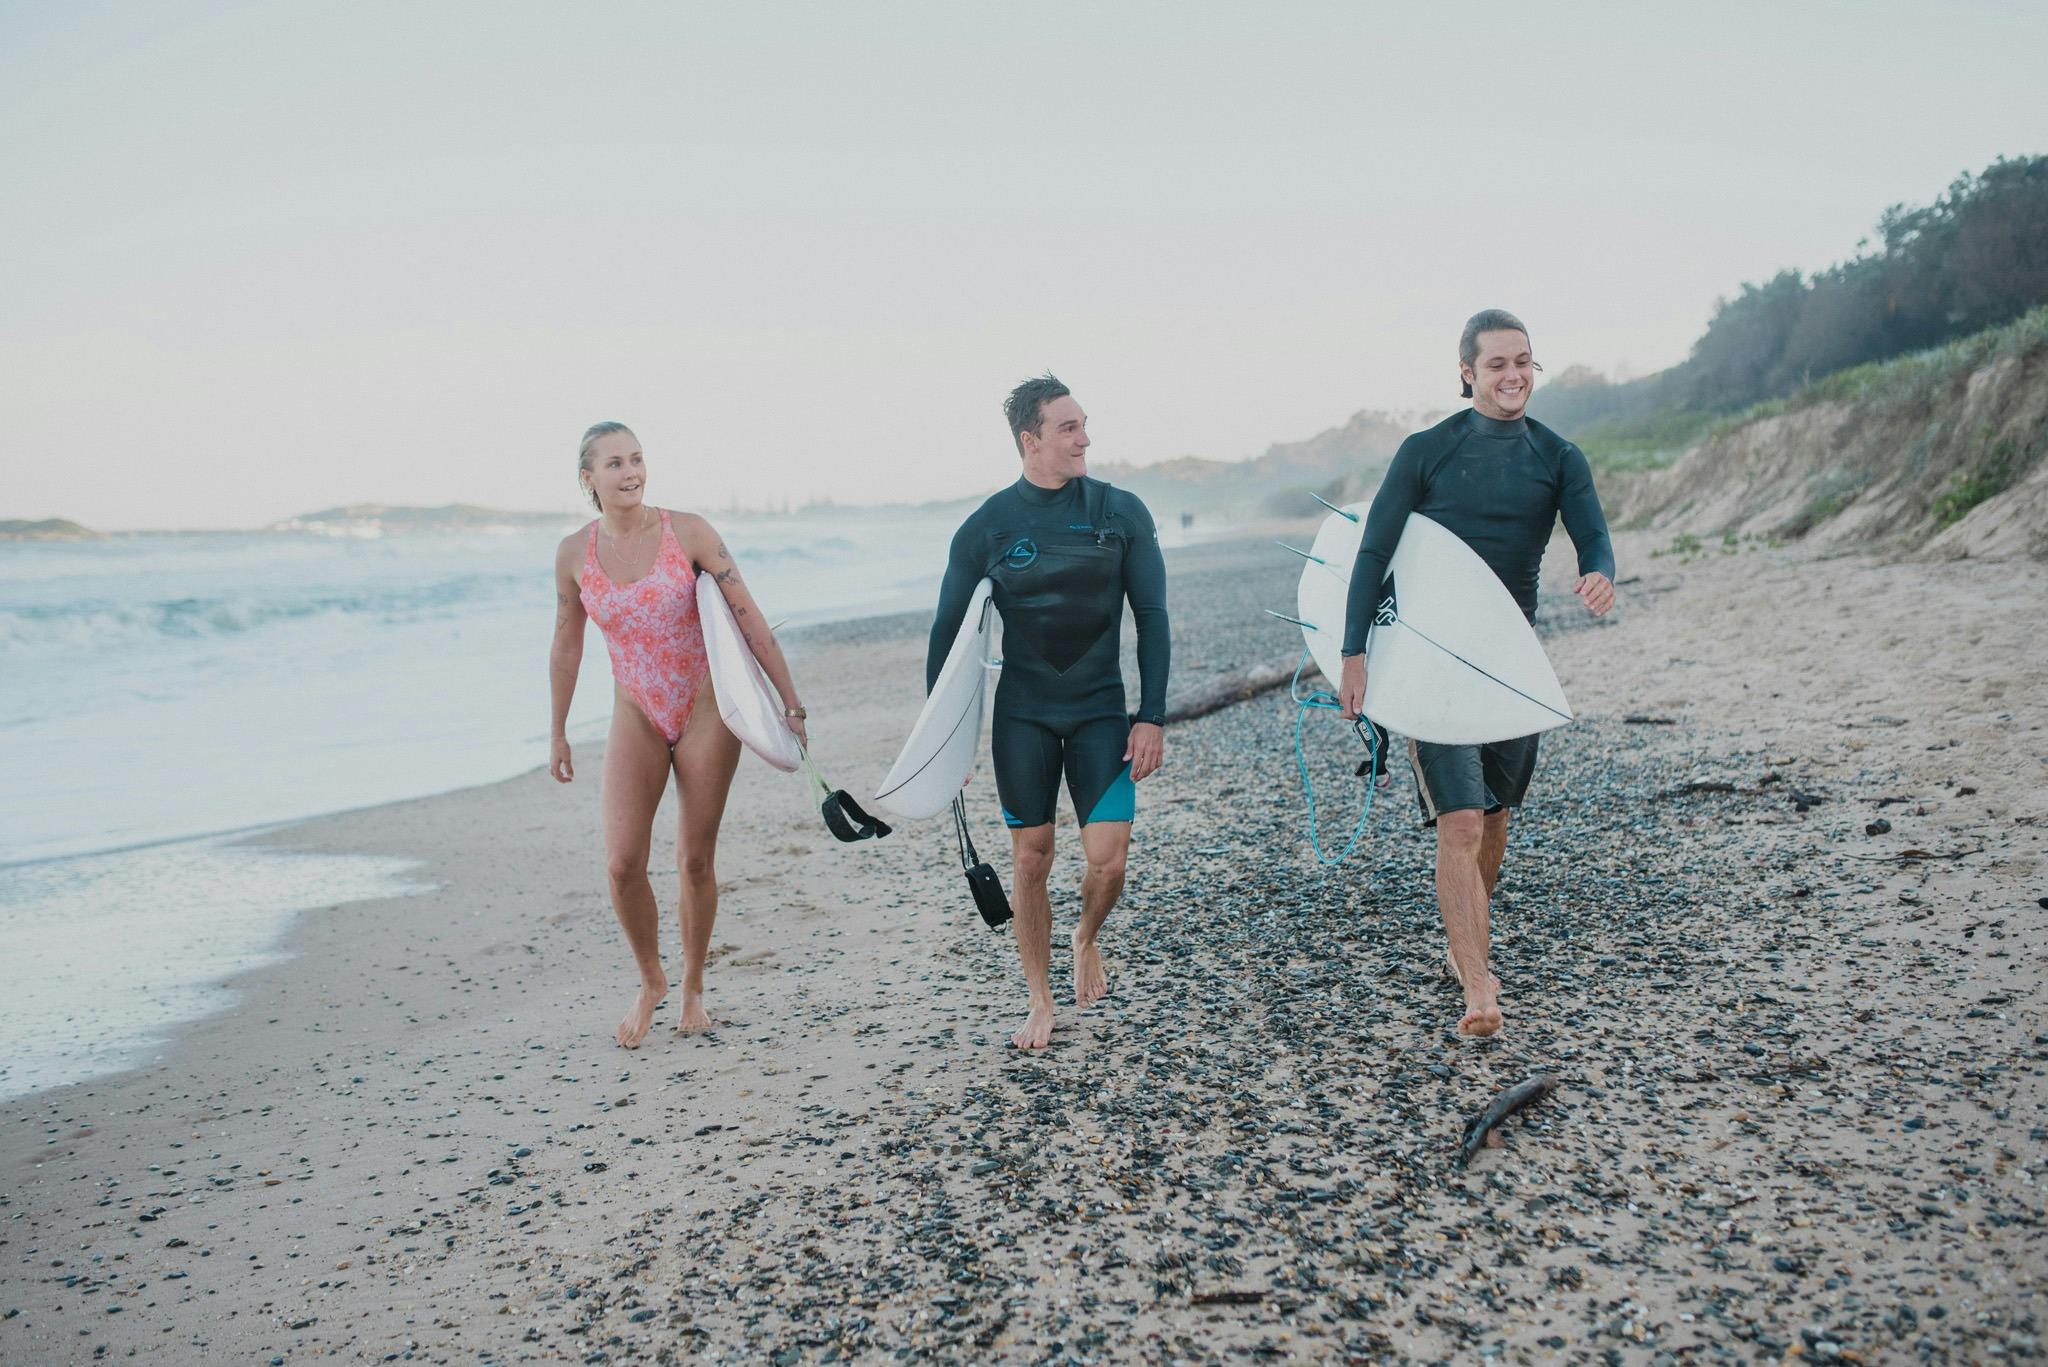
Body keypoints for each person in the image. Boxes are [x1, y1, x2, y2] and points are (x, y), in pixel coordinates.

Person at [1336, 311, 1616, 1040]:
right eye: (1496, 364)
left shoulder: (1558, 457)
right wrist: (1354, 652)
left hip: (1511, 661)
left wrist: (1599, 574)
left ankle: (1469, 937)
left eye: (1523, 361)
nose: (1513, 375)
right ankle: (1477, 981)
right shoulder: (1427, 451)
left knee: (1494, 818)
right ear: (1466, 372)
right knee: (1458, 820)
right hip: (1432, 663)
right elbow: (1373, 553)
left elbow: (1593, 537)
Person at [548, 421, 809, 1047]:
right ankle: (651, 980)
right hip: (635, 711)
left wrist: (790, 704)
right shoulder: (572, 554)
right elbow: (566, 644)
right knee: (621, 863)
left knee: (694, 857)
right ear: (589, 478)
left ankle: (693, 984)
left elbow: (747, 615)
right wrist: (556, 731)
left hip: (704, 708)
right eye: (614, 464)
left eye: (636, 459)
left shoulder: (688, 532)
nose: (630, 472)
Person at [928, 375, 1170, 1050]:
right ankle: (1039, 998)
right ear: (1030, 441)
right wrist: (943, 750)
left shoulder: (1121, 511)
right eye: (1068, 428)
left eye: (1084, 424)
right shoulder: (987, 527)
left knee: (1110, 859)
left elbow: (1151, 617)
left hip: (1100, 708)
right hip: (1025, 714)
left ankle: (1085, 935)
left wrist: (1150, 714)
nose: (1084, 437)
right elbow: (947, 638)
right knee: (1031, 858)